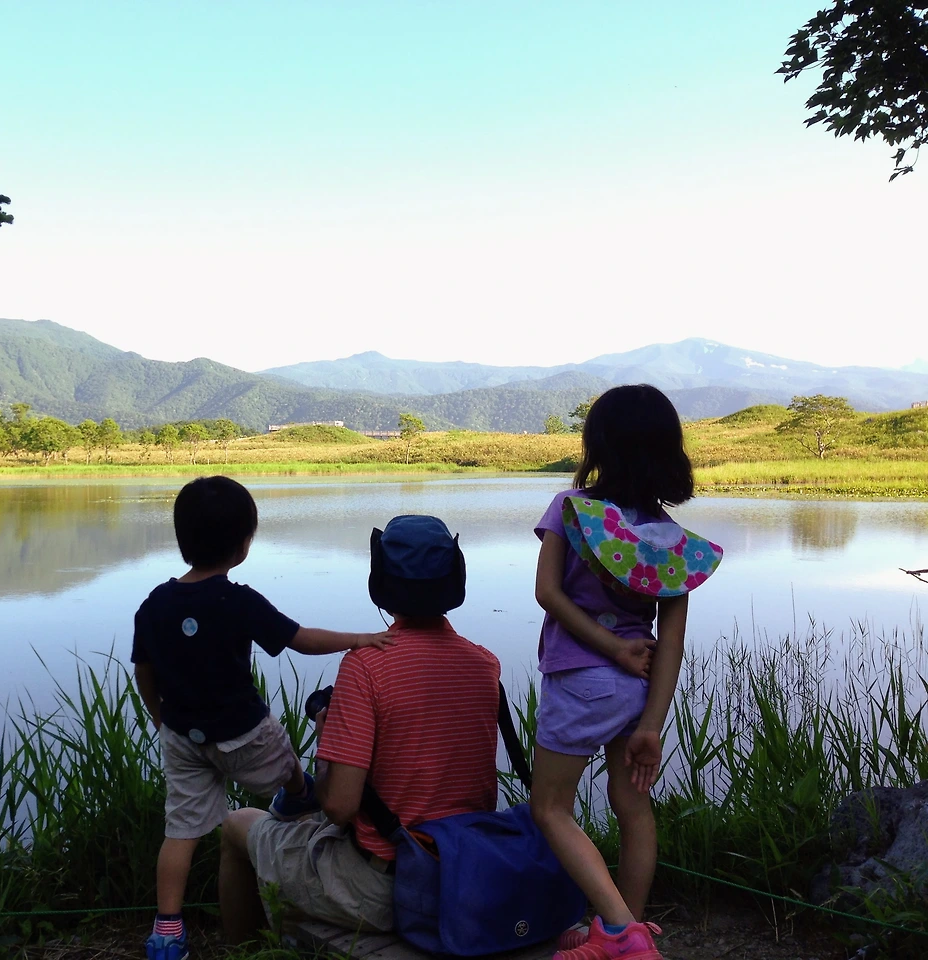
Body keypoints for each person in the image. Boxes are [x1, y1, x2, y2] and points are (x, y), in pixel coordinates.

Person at [133, 476, 392, 960]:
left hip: (182, 737)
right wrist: (359, 639)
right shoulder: (238, 600)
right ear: (243, 545)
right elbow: (300, 638)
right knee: (288, 762)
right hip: (242, 732)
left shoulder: (153, 605)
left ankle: (166, 931)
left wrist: (159, 719)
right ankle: (296, 794)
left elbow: (144, 672)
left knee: (180, 831)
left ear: (182, 539)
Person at [219, 515, 501, 942]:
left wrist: (325, 743)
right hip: (465, 871)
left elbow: (339, 806)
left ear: (381, 579)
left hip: (386, 890)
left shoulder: (365, 666)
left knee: (238, 825)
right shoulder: (485, 664)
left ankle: (242, 952)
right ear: (454, 577)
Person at [529, 385, 698, 960]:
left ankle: (622, 934)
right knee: (633, 806)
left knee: (551, 808)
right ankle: (625, 929)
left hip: (583, 680)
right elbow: (671, 642)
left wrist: (610, 648)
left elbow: (547, 593)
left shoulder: (570, 507)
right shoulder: (674, 543)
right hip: (639, 688)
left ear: (597, 444)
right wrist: (652, 722)